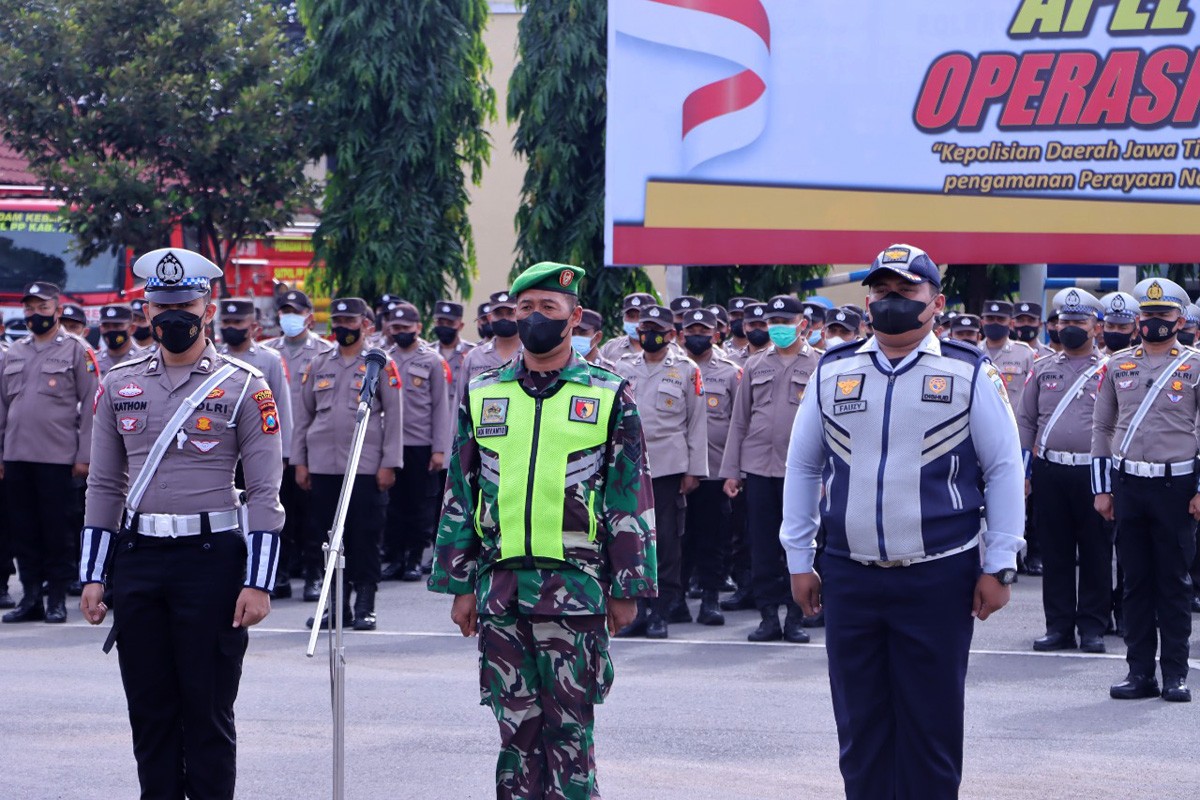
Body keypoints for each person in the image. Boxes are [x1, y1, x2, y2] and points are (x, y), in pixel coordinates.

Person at [783, 243, 1024, 800]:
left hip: (938, 575)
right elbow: (803, 466)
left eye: (906, 290)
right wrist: (798, 558)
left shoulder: (969, 371)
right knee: (860, 728)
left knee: (930, 729)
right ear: (867, 301)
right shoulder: (834, 370)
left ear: (936, 301)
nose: (892, 299)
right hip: (850, 575)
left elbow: (1004, 468)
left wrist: (1000, 563)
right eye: (882, 290)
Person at [429, 261, 656, 800]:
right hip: (500, 589)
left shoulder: (608, 393)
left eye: (548, 308)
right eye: (524, 307)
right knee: (515, 733)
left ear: (574, 317)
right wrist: (459, 584)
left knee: (571, 733)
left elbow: (629, 494)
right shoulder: (484, 392)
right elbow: (461, 491)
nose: (534, 317)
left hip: (575, 588)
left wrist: (627, 587)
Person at [79, 247, 284, 798]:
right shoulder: (118, 383)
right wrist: (93, 575)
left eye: (185, 306)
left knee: (208, 710)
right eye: (162, 306)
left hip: (211, 562)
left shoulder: (245, 384)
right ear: (146, 311)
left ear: (207, 309)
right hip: (140, 561)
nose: (173, 316)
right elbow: (104, 486)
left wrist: (259, 582)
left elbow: (265, 492)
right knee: (150, 713)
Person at [1092, 277, 1198, 703]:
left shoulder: (1194, 365)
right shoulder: (1118, 365)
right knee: (1134, 582)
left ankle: (1175, 674)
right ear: (1138, 319)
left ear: (1180, 320)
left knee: (1173, 583)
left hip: (1177, 486)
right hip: (1129, 485)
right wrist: (1102, 489)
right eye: (1148, 314)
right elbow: (1101, 428)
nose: (1155, 321)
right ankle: (1139, 673)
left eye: (1164, 314)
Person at [292, 297, 403, 631]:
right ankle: (336, 606)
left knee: (365, 536)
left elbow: (394, 415)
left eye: (349, 321)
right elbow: (303, 415)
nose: (342, 327)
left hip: (365, 465)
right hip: (323, 465)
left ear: (365, 324)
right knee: (327, 537)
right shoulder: (318, 363)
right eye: (337, 321)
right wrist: (300, 461)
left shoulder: (380, 363)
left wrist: (390, 463)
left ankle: (365, 605)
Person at [720, 295, 819, 644]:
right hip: (759, 467)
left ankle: (795, 617)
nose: (778, 329)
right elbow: (739, 420)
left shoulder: (820, 364)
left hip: (802, 471)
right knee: (761, 545)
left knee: (798, 544)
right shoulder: (756, 364)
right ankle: (768, 618)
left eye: (785, 323)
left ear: (802, 325)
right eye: (773, 323)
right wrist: (732, 471)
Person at [1016, 288, 1110, 654]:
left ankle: (1093, 627)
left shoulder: (1110, 369)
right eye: (1065, 321)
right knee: (1056, 553)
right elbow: (1026, 422)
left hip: (1093, 473)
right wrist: (1024, 474)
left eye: (1079, 321)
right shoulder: (1042, 368)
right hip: (1050, 470)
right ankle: (1058, 627)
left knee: (1096, 553)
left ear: (1095, 327)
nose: (1070, 327)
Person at [0, 281, 98, 624]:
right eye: (30, 308)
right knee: (23, 530)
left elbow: (92, 405)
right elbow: (2, 407)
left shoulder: (78, 351)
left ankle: (56, 598)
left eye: (43, 307)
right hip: (16, 456)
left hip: (58, 458)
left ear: (58, 310)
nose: (35, 314)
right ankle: (30, 598)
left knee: (57, 532)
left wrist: (85, 455)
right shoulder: (14, 351)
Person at [613, 303, 707, 638]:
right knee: (631, 537)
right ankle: (638, 609)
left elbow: (697, 422)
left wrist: (694, 470)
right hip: (630, 465)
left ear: (671, 334)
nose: (649, 335)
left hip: (668, 466)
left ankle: (661, 611)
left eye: (657, 330)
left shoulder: (686, 369)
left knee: (665, 540)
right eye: (645, 329)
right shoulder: (623, 366)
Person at [266, 288, 337, 601]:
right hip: (275, 447)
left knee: (313, 517)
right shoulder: (267, 352)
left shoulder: (324, 353)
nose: (290, 317)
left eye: (296, 312)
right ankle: (279, 575)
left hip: (311, 448)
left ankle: (313, 576)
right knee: (278, 514)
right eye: (285, 312)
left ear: (309, 316)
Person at [379, 301, 452, 582]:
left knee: (420, 504)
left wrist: (439, 449)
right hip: (390, 444)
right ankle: (395, 558)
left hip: (421, 443)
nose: (400, 332)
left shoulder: (432, 360)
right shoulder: (384, 359)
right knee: (393, 504)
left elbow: (441, 408)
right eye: (395, 327)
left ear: (418, 328)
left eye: (405, 327)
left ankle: (413, 558)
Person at [678, 307, 740, 625]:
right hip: (677, 469)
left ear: (716, 335)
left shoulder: (730, 373)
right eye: (692, 331)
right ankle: (674, 600)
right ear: (681, 334)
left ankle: (710, 600)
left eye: (704, 332)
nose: (697, 337)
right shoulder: (673, 367)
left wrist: (735, 470)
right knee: (678, 539)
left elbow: (739, 423)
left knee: (712, 539)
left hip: (715, 469)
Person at [458, 291, 522, 406]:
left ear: (520, 314)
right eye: (498, 314)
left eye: (510, 313)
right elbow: (460, 402)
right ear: (490, 317)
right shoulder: (474, 357)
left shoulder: (531, 354)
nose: (504, 318)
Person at [433, 300, 476, 404]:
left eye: (450, 323)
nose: (444, 327)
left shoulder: (473, 353)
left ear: (461, 325)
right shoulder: (427, 354)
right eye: (440, 323)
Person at [598, 292, 654, 363]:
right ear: (624, 318)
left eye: (641, 316)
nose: (636, 322)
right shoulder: (610, 348)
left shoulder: (665, 349)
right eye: (631, 316)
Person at [97, 304, 140, 373]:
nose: (111, 330)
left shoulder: (144, 359)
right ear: (100, 328)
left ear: (132, 328)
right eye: (106, 326)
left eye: (117, 326)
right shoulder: (94, 361)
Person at [722, 297, 759, 365]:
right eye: (735, 315)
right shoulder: (722, 349)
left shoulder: (766, 351)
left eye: (743, 315)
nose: (739, 318)